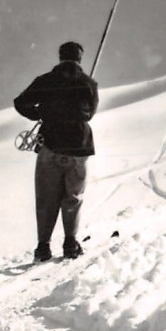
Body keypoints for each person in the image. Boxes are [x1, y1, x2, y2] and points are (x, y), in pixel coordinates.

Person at [14, 41, 99, 262]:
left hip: (50, 144)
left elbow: (20, 102)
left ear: (60, 57)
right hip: (79, 147)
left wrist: (40, 113)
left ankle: (43, 247)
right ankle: (70, 243)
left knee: (46, 197)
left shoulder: (45, 81)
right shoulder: (89, 83)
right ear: (79, 59)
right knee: (73, 196)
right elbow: (89, 114)